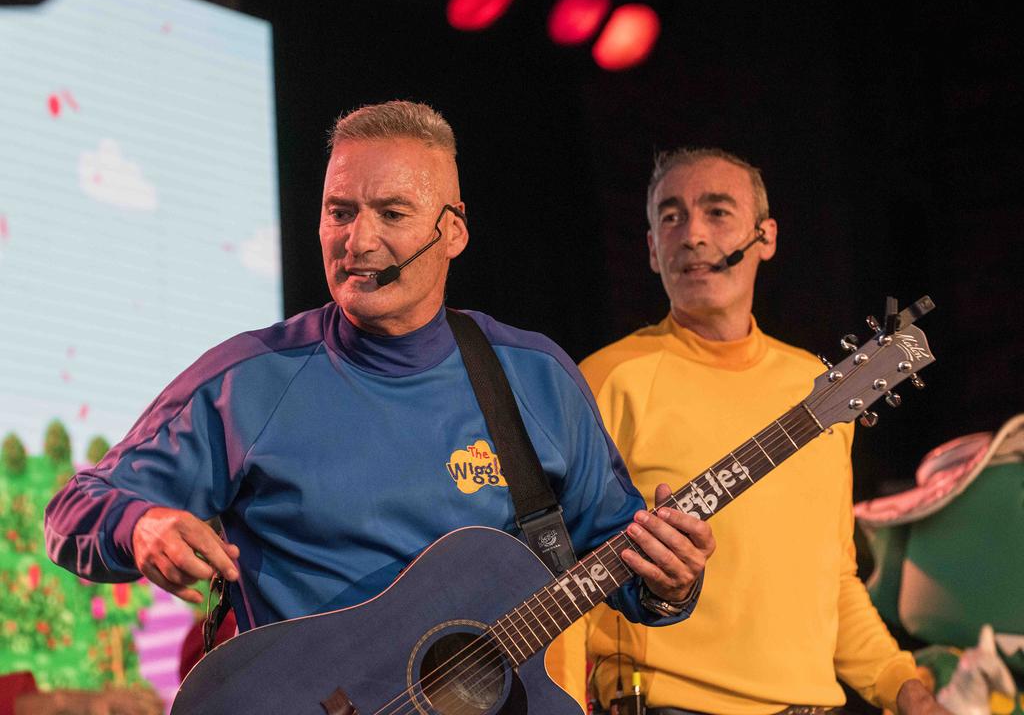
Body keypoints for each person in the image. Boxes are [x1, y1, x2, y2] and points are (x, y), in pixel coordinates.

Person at [44, 102, 713, 658]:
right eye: (340, 212)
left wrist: (672, 583)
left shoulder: (534, 378)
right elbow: (75, 507)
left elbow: (626, 570)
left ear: (452, 231)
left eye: (391, 213)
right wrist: (139, 524)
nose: (356, 240)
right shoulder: (249, 379)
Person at [550, 148, 945, 714]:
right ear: (652, 251)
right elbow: (564, 584)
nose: (692, 235)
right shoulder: (607, 380)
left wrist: (899, 683)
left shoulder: (821, 391)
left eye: (717, 213)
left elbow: (832, 580)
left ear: (766, 237)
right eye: (671, 216)